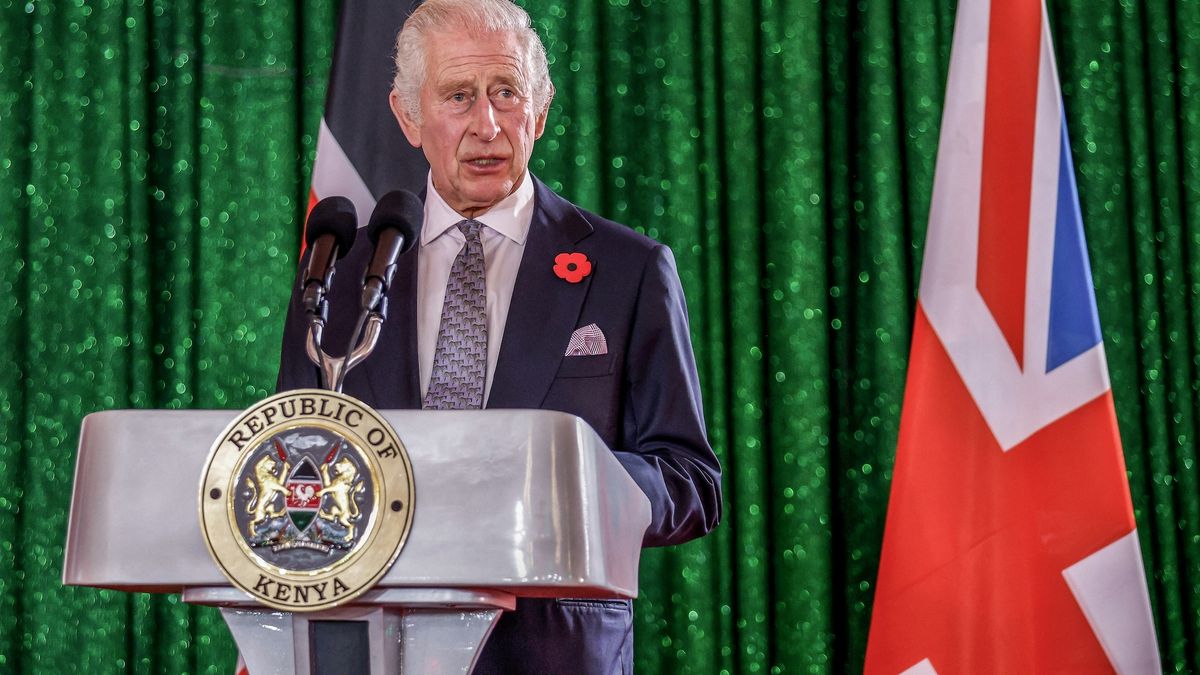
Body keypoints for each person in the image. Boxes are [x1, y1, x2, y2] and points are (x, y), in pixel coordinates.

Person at [277, 0, 722, 671]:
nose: (487, 125)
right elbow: (291, 462)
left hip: (554, 652)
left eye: (506, 93)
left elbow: (690, 481)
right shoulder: (337, 274)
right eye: (458, 95)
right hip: (370, 644)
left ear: (539, 111)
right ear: (407, 116)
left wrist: (577, 482)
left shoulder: (628, 270)